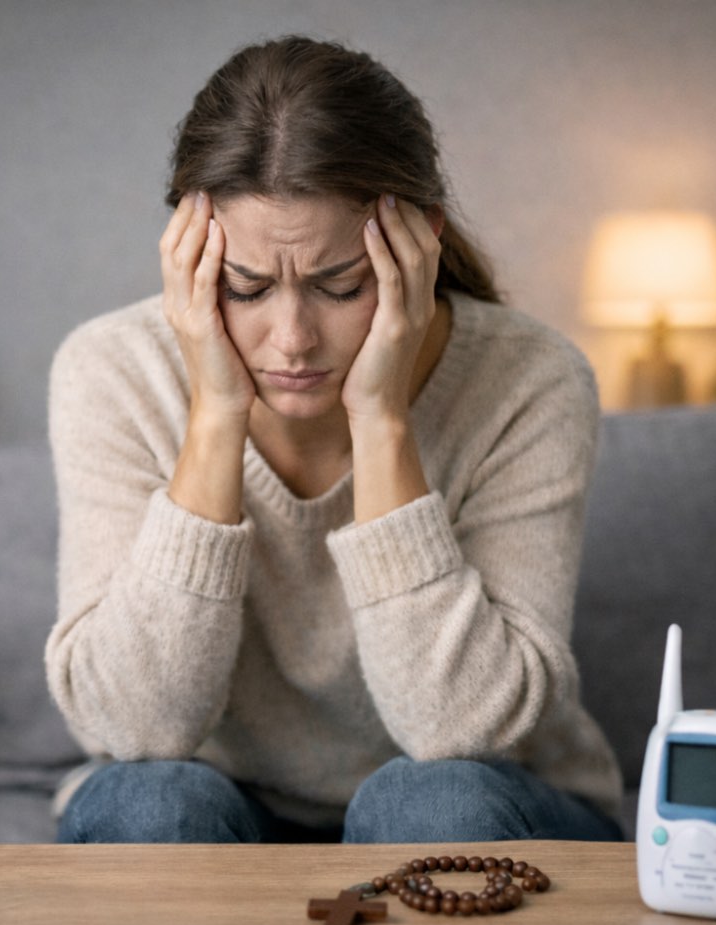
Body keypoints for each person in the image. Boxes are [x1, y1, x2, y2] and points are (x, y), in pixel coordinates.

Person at [45, 35, 622, 844]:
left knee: (431, 802)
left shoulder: (533, 380)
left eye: (340, 286)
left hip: (488, 796)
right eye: (245, 288)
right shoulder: (110, 370)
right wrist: (215, 414)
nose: (291, 339)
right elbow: (135, 729)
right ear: (189, 256)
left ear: (417, 248)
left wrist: (382, 418)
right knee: (147, 805)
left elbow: (467, 728)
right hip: (229, 803)